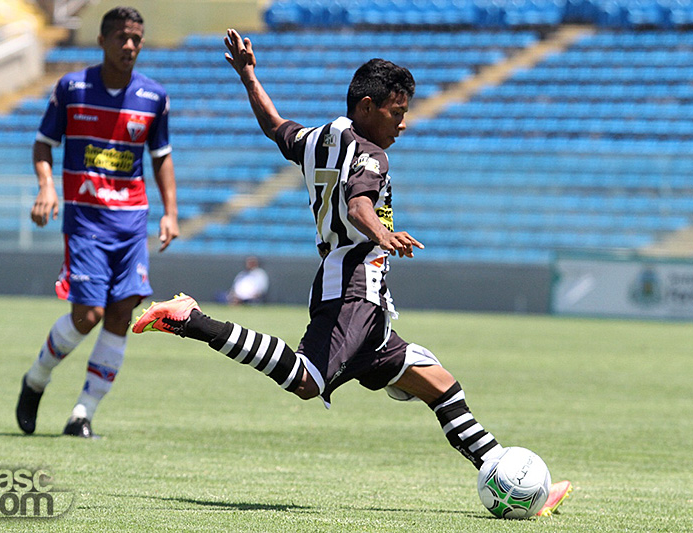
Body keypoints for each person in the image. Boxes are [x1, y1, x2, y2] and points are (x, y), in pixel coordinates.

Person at [132, 29, 570, 514]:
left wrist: (248, 75)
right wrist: (383, 235)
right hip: (354, 289)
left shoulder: (318, 139)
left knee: (440, 385)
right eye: (397, 113)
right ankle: (191, 319)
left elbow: (274, 126)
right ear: (367, 106)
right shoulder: (371, 155)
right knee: (306, 381)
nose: (402, 125)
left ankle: (513, 477)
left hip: (364, 297)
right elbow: (358, 201)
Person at [15, 6, 179, 438]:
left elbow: (161, 158)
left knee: (121, 314)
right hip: (86, 222)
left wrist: (171, 213)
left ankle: (83, 413)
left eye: (137, 39)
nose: (130, 46)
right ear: (103, 40)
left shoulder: (154, 97)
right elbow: (42, 145)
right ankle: (35, 380)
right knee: (87, 314)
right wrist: (46, 186)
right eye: (122, 37)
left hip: (130, 224)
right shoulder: (72, 88)